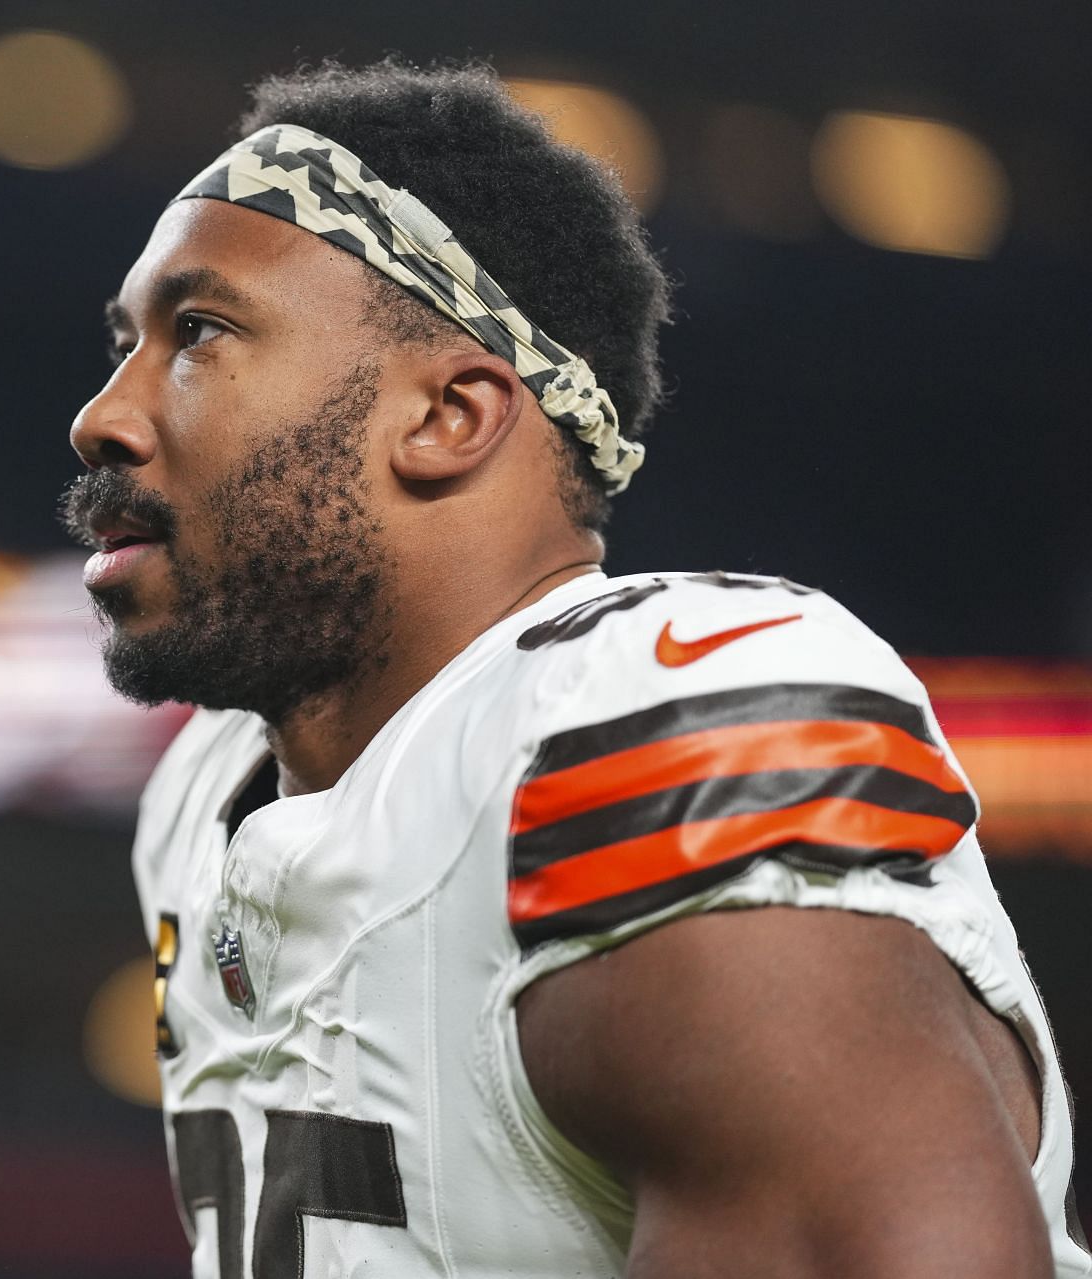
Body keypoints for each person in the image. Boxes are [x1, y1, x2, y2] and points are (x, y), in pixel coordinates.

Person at [60, 59, 1087, 1278]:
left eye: (202, 331)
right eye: (129, 342)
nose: (103, 415)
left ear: (449, 415)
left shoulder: (651, 722)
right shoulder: (204, 800)